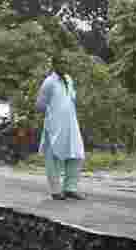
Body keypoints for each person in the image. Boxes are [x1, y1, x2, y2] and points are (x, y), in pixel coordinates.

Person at [35, 53, 85, 200]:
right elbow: (39, 105)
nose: (64, 65)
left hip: (71, 124)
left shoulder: (69, 80)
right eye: (61, 63)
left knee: (76, 155)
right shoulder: (49, 82)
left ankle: (70, 188)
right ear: (54, 65)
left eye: (66, 63)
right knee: (54, 157)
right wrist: (52, 116)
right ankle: (56, 191)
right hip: (54, 126)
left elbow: (72, 99)